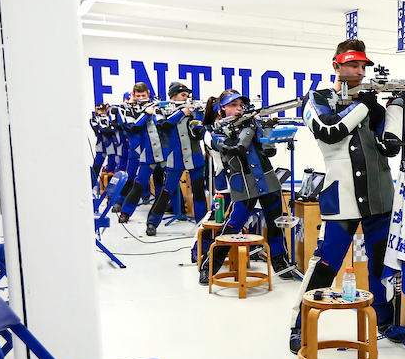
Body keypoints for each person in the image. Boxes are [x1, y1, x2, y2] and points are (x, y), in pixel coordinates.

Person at [288, 39, 405, 352]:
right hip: (341, 196)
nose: (358, 71)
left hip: (379, 194)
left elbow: (391, 147)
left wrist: (396, 108)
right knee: (326, 263)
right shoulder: (317, 99)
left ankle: (384, 319)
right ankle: (300, 323)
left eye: (362, 66)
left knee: (381, 262)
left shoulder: (373, 106)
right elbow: (330, 130)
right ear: (336, 66)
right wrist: (365, 104)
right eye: (352, 65)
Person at [199, 89, 293, 283]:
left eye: (240, 106)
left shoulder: (251, 123)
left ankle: (281, 263)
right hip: (242, 184)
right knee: (231, 228)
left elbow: (269, 150)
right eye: (233, 105)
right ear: (222, 109)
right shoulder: (214, 131)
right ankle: (209, 266)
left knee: (276, 226)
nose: (238, 109)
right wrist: (249, 128)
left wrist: (266, 129)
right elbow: (236, 148)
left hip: (268, 181)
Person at [145, 81, 208, 236]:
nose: (187, 98)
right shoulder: (161, 110)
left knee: (199, 191)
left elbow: (199, 131)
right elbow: (162, 126)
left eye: (187, 95)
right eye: (183, 95)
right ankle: (152, 222)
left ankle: (202, 223)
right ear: (173, 96)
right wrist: (182, 113)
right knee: (167, 190)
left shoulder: (193, 109)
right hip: (176, 157)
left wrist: (199, 115)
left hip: (195, 156)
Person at [115, 82, 166, 224]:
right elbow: (133, 127)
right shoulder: (129, 109)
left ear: (148, 94)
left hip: (162, 150)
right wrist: (145, 112)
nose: (141, 98)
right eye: (138, 96)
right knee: (138, 183)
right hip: (144, 151)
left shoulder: (158, 105)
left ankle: (161, 209)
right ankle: (125, 212)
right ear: (133, 95)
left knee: (162, 182)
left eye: (143, 96)